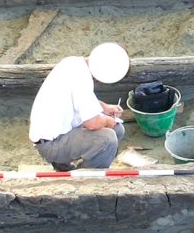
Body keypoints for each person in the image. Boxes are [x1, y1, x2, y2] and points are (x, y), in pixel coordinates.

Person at [28, 42, 129, 171]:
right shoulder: (81, 77)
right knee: (108, 139)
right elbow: (92, 123)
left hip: (54, 136)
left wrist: (104, 107)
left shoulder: (73, 64)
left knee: (117, 129)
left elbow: (78, 100)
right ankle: (86, 178)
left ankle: (63, 164)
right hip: (50, 144)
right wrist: (109, 121)